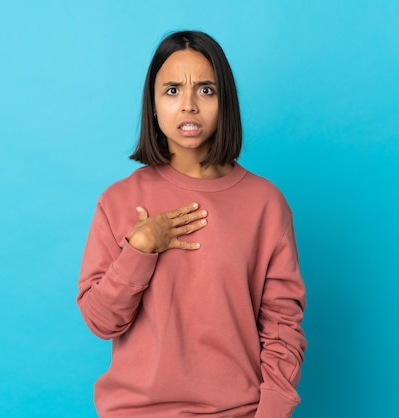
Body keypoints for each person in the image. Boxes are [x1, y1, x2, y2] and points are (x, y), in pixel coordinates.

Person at [77, 30, 306, 418]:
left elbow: (283, 328)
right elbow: (101, 323)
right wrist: (140, 250)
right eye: (171, 91)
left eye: (205, 90)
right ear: (152, 104)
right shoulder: (118, 201)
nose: (188, 106)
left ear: (224, 102)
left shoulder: (265, 204)